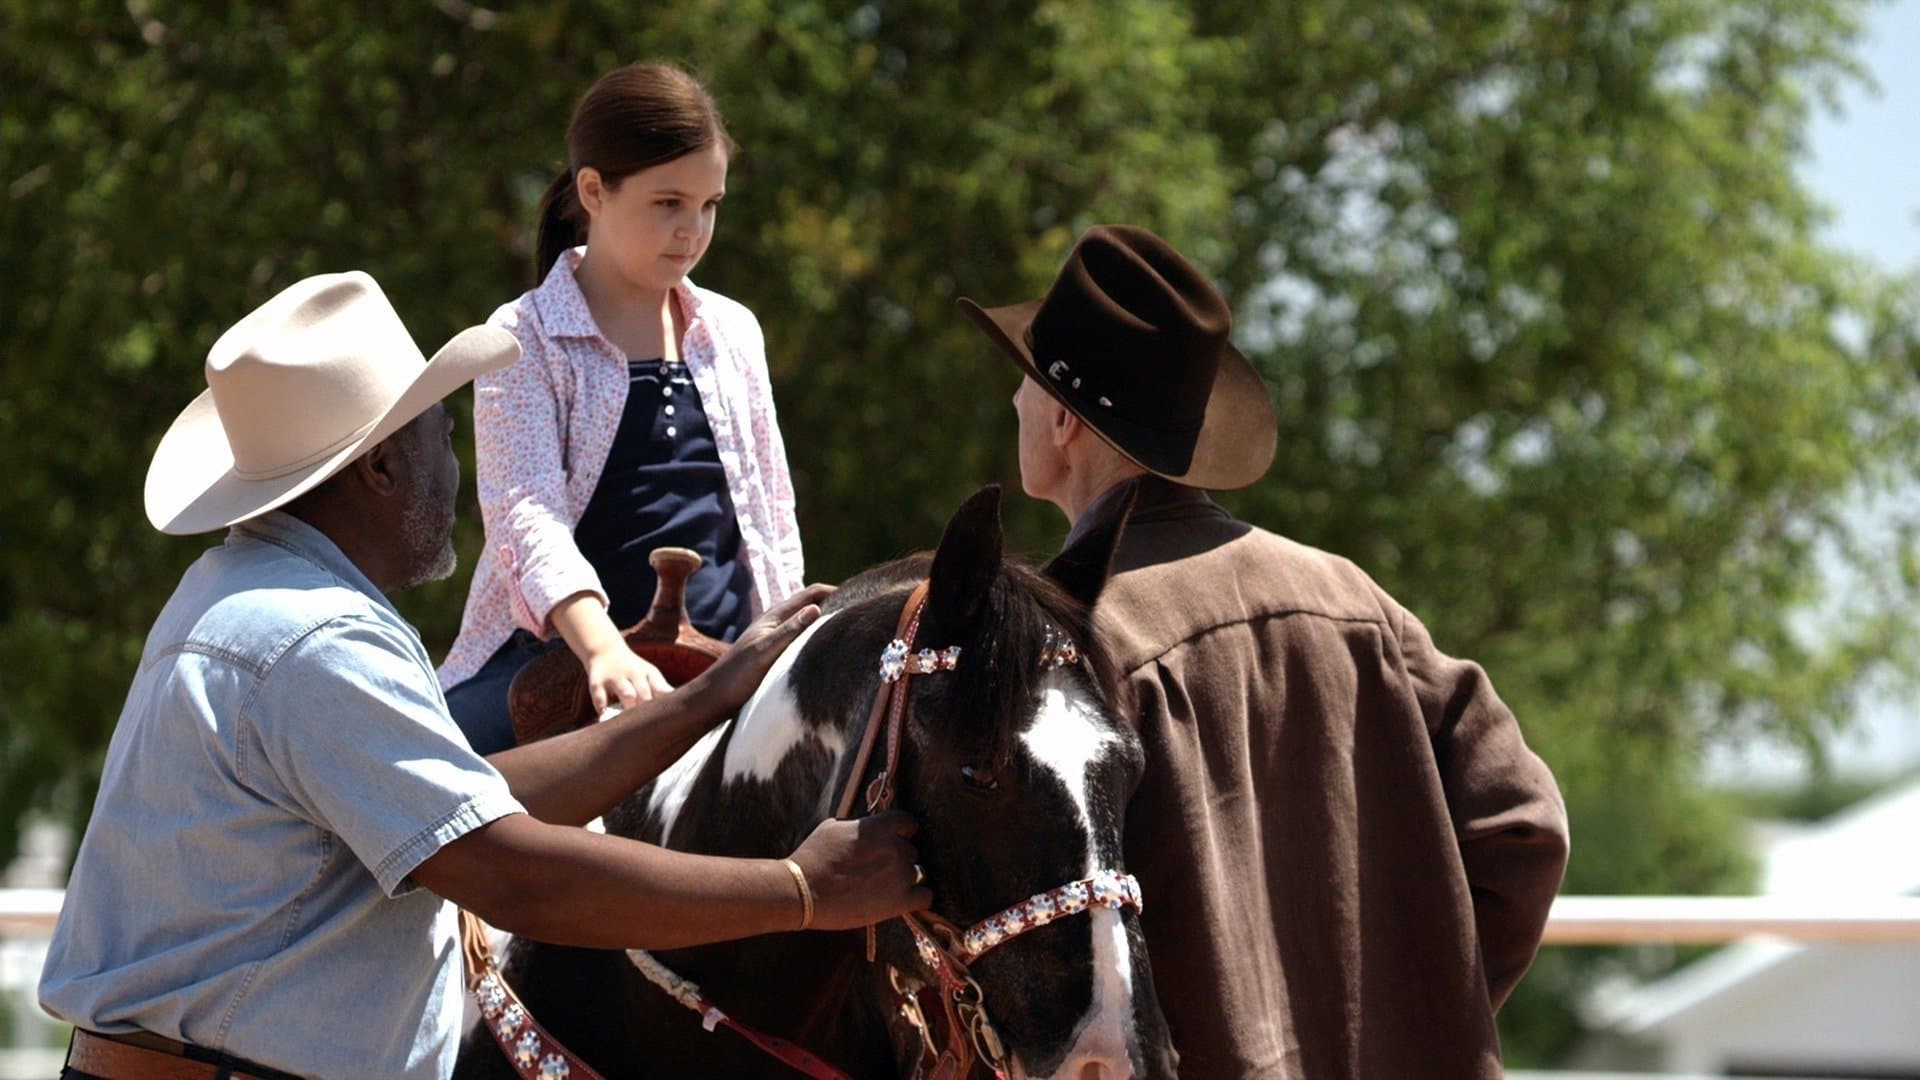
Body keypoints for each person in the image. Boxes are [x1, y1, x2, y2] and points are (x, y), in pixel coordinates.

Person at [39, 272, 927, 1080]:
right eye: (442, 436)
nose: (456, 469)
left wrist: (706, 698)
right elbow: (510, 874)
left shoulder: (239, 595)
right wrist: (802, 892)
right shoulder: (319, 637)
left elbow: (474, 804)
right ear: (382, 467)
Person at [959, 226, 1570, 1078]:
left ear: (1064, 418)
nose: (1013, 401)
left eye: (1026, 380)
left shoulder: (1053, 639)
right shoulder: (1354, 600)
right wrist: (1424, 1021)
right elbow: (1527, 828)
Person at [440, 62, 803, 754]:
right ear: (594, 191)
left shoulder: (733, 331)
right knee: (430, 785)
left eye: (710, 205)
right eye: (668, 203)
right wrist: (603, 649)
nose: (692, 229)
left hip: (729, 658)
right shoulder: (524, 334)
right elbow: (526, 514)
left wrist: (789, 643)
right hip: (564, 657)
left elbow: (772, 514)